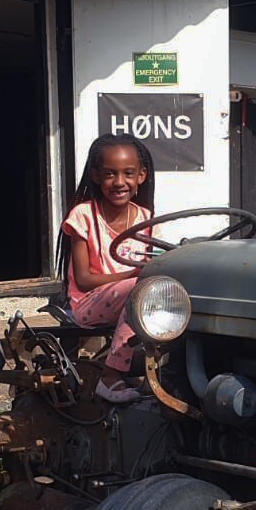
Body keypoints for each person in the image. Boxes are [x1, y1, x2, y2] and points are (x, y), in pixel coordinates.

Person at [60, 135, 155, 403]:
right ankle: (109, 375)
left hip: (132, 302)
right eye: (110, 174)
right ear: (96, 176)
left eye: (128, 174)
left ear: (141, 176)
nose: (119, 182)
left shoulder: (147, 219)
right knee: (142, 288)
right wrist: (134, 275)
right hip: (88, 303)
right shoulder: (83, 216)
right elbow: (84, 279)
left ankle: (162, 372)